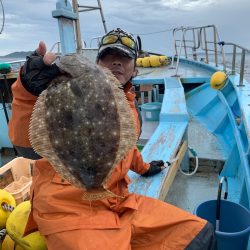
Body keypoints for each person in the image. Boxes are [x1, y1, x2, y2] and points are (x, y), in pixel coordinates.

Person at [9, 28, 216, 249]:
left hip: (119, 203)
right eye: (108, 56)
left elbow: (123, 148)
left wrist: (145, 168)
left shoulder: (128, 104)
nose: (116, 62)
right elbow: (26, 147)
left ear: (135, 69)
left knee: (200, 235)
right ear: (97, 64)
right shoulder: (63, 90)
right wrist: (28, 89)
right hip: (67, 208)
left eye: (124, 58)